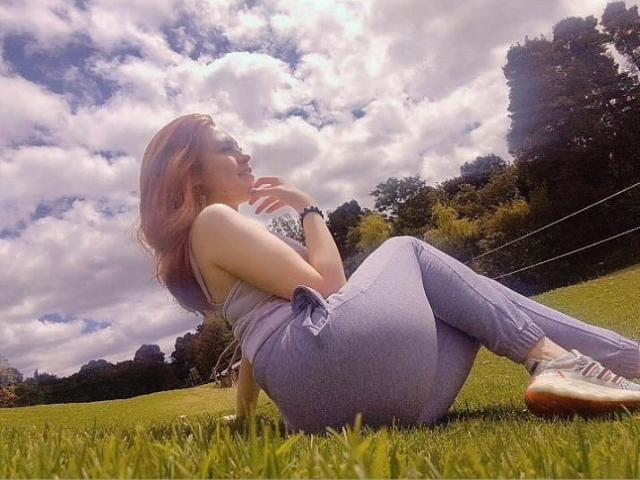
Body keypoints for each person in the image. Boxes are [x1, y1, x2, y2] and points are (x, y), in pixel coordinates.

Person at [137, 113, 640, 435]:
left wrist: (244, 417)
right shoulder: (214, 221)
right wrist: (310, 208)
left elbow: (254, 343)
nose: (245, 155)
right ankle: (560, 361)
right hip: (326, 363)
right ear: (191, 172)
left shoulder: (213, 242)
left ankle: (618, 364)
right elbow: (329, 287)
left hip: (329, 408)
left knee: (468, 302)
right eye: (228, 148)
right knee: (408, 249)